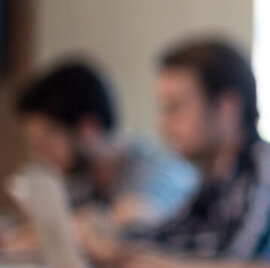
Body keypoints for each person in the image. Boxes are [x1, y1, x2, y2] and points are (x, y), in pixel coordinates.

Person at [116, 37, 270, 268]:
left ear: (227, 108)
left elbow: (249, 266)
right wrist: (114, 246)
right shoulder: (216, 181)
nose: (163, 125)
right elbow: (170, 241)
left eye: (175, 108)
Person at [9, 59, 195, 249]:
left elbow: (133, 220)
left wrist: (48, 233)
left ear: (88, 128)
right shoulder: (80, 179)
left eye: (46, 141)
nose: (40, 155)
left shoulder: (158, 167)